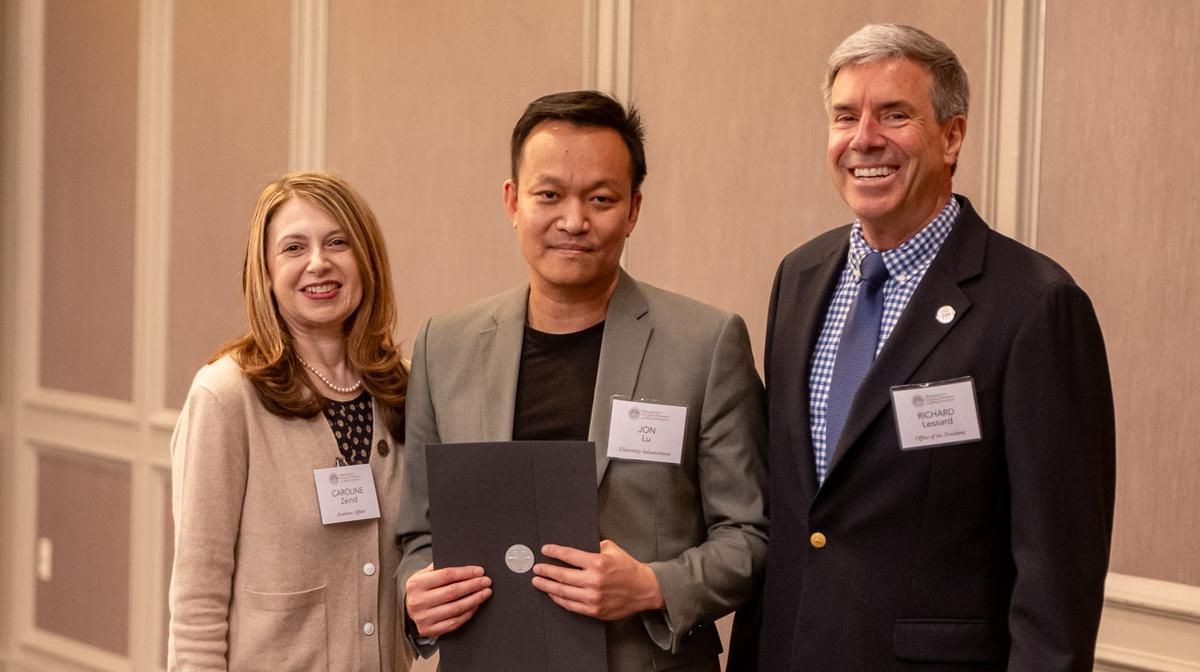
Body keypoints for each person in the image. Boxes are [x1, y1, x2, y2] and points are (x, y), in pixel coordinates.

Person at [730, 23, 1116, 671]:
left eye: (895, 115)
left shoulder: (1036, 306)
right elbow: (799, 517)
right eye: (845, 116)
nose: (864, 139)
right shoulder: (798, 278)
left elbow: (1056, 572)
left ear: (952, 136)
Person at [395, 90, 768, 672]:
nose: (574, 221)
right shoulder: (444, 346)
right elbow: (417, 533)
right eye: (549, 195)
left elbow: (751, 535)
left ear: (634, 209)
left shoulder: (706, 343)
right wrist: (415, 588)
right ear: (513, 201)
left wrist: (652, 585)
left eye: (600, 198)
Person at [168, 171, 412, 671]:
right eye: (293, 248)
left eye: (338, 242)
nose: (318, 263)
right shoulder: (225, 396)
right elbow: (198, 598)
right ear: (266, 272)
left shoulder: (402, 388)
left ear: (366, 259)